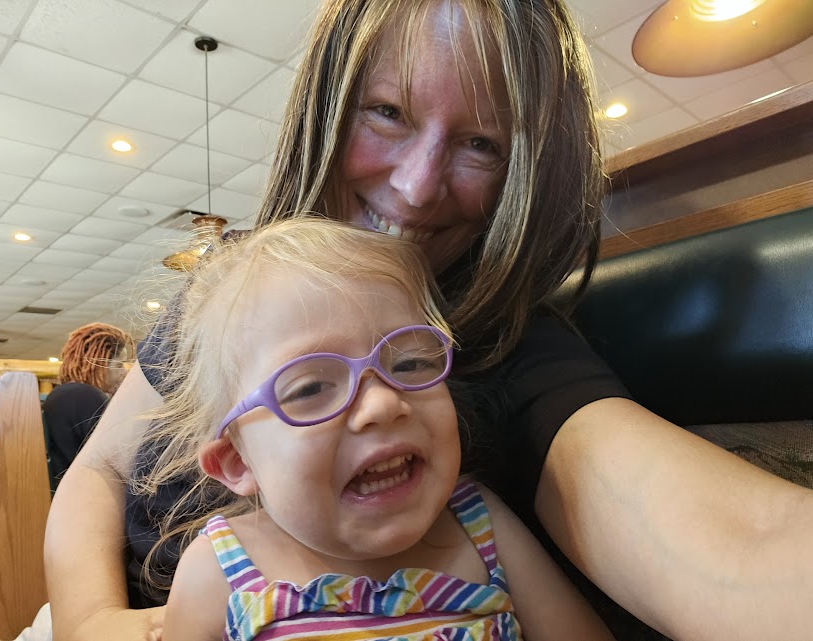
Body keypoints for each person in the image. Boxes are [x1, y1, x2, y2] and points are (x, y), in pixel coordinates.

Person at [45, 0, 813, 640]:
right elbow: (101, 471)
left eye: (481, 143)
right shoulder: (227, 297)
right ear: (324, 108)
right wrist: (90, 621)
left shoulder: (520, 354)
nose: (415, 188)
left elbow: (741, 545)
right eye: (387, 112)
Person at [143, 218, 614, 641]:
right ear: (237, 461)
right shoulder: (217, 568)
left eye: (409, 363)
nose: (385, 403)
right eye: (310, 388)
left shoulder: (480, 525)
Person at [42, 323, 134, 491]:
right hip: (86, 492)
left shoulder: (64, 394)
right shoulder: (85, 396)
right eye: (118, 365)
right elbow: (116, 458)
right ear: (98, 364)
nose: (124, 372)